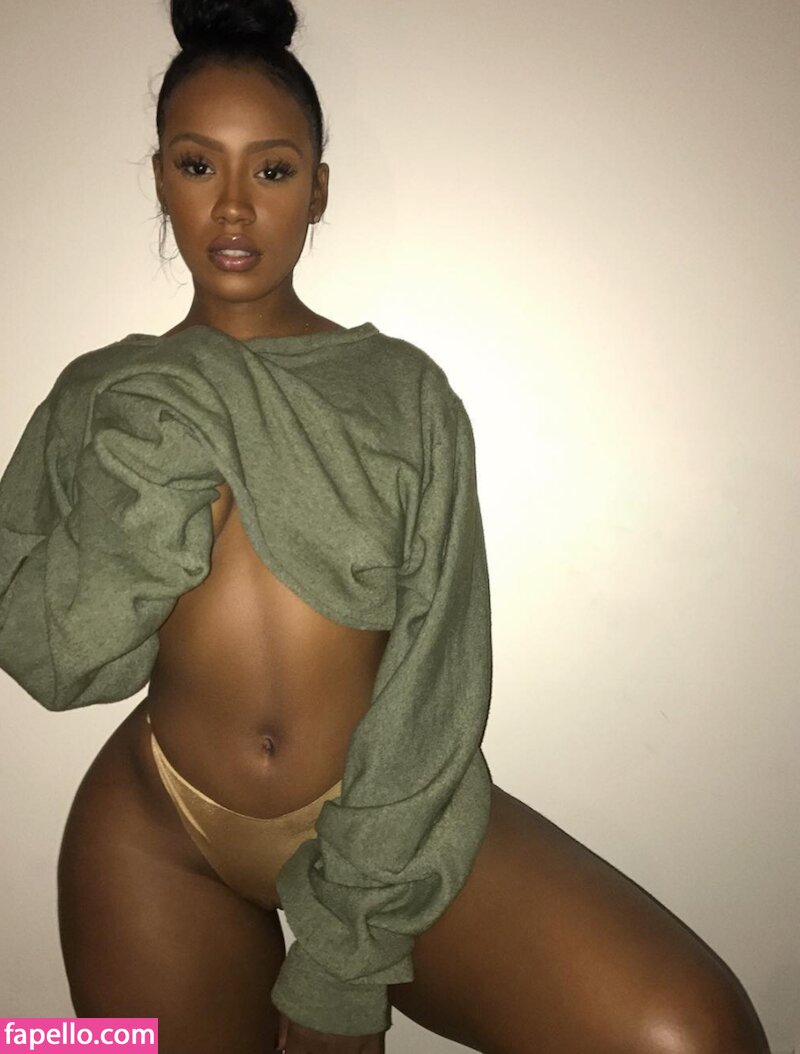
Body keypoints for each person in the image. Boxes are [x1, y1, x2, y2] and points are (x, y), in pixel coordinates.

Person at [0, 2, 772, 1053]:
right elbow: (52, 657)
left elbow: (437, 673)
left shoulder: (403, 393)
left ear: (318, 190)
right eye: (197, 164)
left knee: (689, 1031)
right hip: (153, 830)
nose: (233, 205)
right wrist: (148, 488)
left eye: (273, 170)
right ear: (159, 179)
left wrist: (342, 959)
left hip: (384, 825)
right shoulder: (105, 394)